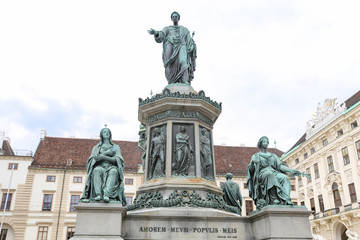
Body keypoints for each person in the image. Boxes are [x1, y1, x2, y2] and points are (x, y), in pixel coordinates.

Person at [246, 136, 303, 209]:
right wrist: (252, 163)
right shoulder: (256, 156)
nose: (266, 143)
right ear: (260, 143)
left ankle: (286, 199)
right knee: (269, 174)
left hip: (274, 172)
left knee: (285, 178)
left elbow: (280, 166)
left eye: (267, 142)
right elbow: (251, 170)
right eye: (264, 141)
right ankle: (274, 198)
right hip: (262, 174)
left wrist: (290, 170)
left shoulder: (273, 156)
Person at [148, 11, 197, 84]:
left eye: (176, 16)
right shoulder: (167, 29)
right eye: (173, 17)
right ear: (171, 18)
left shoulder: (184, 30)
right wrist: (156, 33)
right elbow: (161, 34)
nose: (174, 18)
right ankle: (172, 80)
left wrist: (192, 45)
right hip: (170, 45)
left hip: (182, 45)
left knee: (183, 61)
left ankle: (185, 79)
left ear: (178, 18)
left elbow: (189, 41)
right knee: (169, 64)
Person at [81, 127, 126, 204]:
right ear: (101, 135)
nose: (106, 133)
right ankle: (98, 195)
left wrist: (103, 157)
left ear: (110, 135)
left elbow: (118, 160)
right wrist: (107, 153)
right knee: (96, 170)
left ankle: (107, 195)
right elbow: (93, 160)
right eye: (104, 132)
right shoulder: (96, 147)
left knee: (114, 171)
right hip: (100, 167)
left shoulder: (115, 147)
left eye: (108, 132)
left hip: (111, 166)